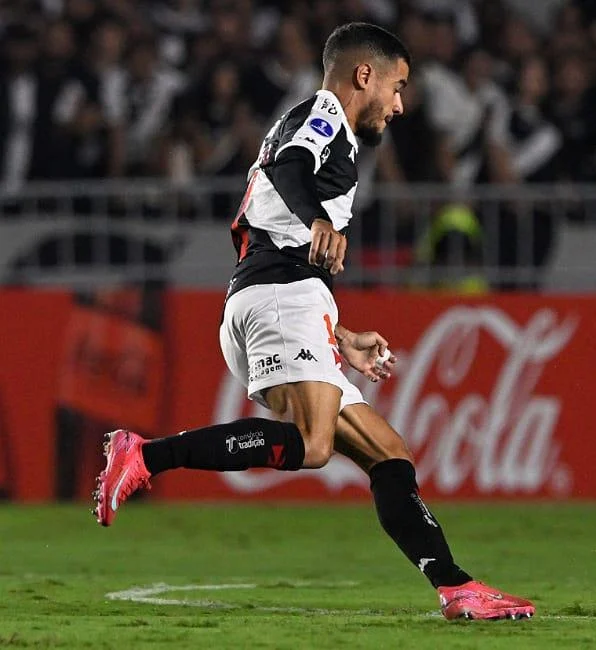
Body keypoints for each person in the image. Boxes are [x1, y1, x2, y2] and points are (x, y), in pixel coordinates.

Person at [92, 22, 535, 622]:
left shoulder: (320, 126)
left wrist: (342, 337)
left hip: (285, 297)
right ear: (363, 76)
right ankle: (144, 456)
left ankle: (456, 587)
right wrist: (320, 221)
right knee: (314, 445)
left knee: (388, 453)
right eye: (397, 86)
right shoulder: (325, 115)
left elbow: (281, 218)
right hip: (278, 298)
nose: (400, 104)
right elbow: (291, 171)